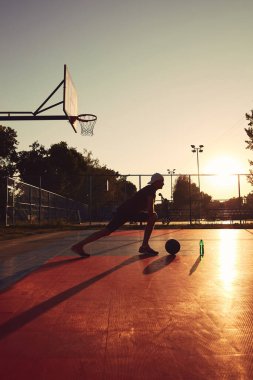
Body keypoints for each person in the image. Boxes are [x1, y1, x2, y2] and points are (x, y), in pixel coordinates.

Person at [71, 173, 164, 257]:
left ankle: (145, 245)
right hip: (126, 212)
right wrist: (154, 214)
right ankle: (78, 245)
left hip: (129, 212)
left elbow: (144, 206)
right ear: (156, 182)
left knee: (107, 231)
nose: (163, 184)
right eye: (162, 182)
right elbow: (150, 211)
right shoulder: (150, 190)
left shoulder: (149, 190)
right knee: (106, 231)